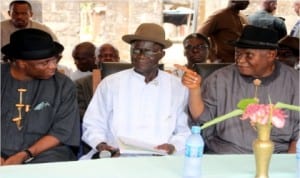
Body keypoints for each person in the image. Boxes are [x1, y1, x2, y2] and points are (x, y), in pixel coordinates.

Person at [176, 25, 299, 154]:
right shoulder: (220, 78)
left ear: (271, 55)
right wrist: (195, 90)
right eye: (237, 53)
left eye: (249, 55)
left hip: (275, 157)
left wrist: (288, 166)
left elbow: (298, 136)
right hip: (226, 154)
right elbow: (201, 118)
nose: (240, 60)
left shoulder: (295, 82)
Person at [80, 23, 191, 159]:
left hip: (161, 158)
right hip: (117, 157)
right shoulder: (111, 83)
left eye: (148, 51)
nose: (140, 56)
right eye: (136, 50)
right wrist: (101, 144)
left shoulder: (177, 87)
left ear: (161, 54)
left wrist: (173, 146)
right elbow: (93, 123)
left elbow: (185, 129)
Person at [1, 28, 80, 165]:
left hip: (42, 154)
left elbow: (61, 131)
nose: (53, 66)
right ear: (21, 63)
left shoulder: (64, 86)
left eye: (55, 60)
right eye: (45, 62)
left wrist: (25, 154)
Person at [75, 43, 120, 120]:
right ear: (96, 60)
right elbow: (79, 111)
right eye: (103, 56)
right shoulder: (81, 84)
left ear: (118, 59)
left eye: (111, 56)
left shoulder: (127, 82)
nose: (108, 58)